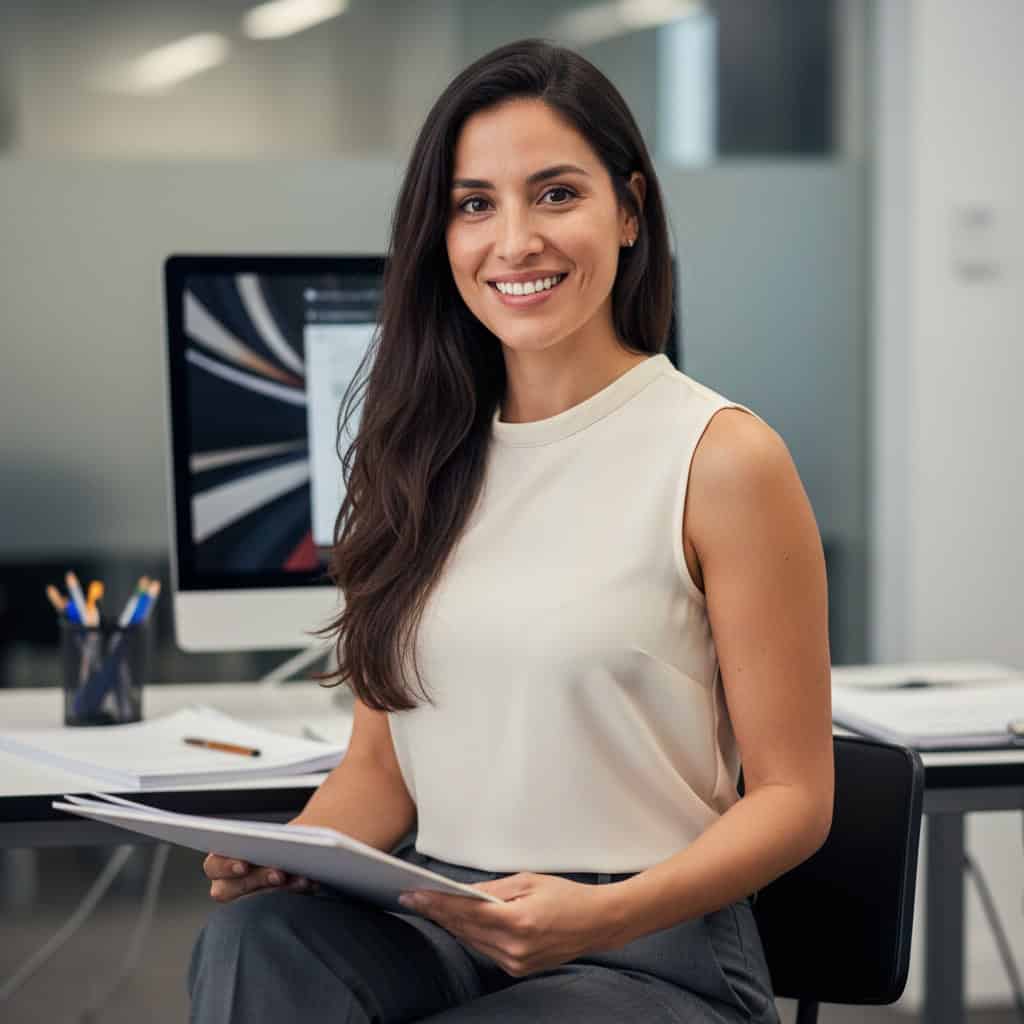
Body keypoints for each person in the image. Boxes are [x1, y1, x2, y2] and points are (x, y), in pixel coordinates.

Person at [188, 38, 833, 1024]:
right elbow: (378, 768)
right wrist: (287, 859)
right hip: (442, 915)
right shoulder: (418, 456)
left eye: (556, 194)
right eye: (475, 204)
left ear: (628, 210)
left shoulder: (721, 456)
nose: (514, 240)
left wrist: (598, 916)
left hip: (645, 949)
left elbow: (794, 798)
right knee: (256, 938)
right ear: (440, 235)